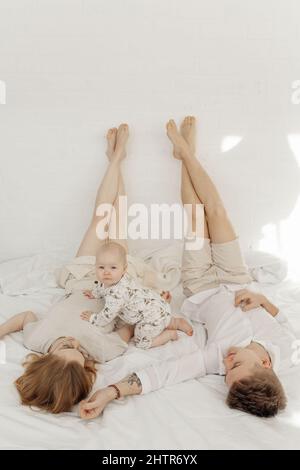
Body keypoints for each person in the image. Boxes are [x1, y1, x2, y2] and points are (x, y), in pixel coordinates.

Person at [79, 116, 296, 420]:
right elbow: (284, 321)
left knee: (196, 215)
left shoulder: (214, 358)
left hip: (202, 284)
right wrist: (264, 301)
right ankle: (185, 152)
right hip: (236, 276)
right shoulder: (287, 349)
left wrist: (110, 392)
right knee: (217, 212)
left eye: (226, 375)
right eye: (236, 365)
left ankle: (184, 154)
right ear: (267, 365)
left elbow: (164, 373)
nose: (228, 361)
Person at [0, 124, 137, 413]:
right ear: (86, 368)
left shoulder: (37, 341)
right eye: (76, 351)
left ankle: (116, 158)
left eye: (63, 348)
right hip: (114, 283)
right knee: (119, 217)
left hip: (81, 278)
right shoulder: (103, 351)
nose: (70, 342)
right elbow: (127, 327)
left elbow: (24, 316)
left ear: (46, 359)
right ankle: (117, 158)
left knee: (101, 215)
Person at [80, 240, 193, 349]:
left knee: (141, 343)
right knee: (162, 317)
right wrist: (95, 293)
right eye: (101, 267)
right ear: (95, 267)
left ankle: (169, 335)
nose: (106, 272)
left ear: (124, 269)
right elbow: (102, 286)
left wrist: (93, 318)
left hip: (151, 317)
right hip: (157, 303)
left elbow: (106, 316)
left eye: (113, 267)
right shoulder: (116, 279)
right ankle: (175, 322)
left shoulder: (117, 295)